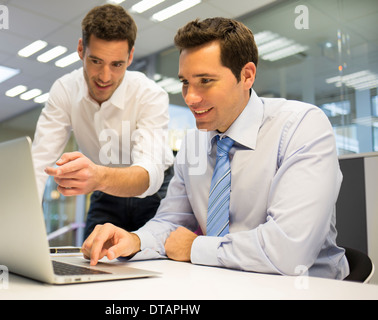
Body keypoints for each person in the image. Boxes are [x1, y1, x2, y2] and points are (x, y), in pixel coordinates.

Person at [82, 17, 350, 279]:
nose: (190, 97)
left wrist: (195, 247)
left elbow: (289, 251)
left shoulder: (301, 127)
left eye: (205, 81)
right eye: (185, 82)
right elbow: (172, 221)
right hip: (220, 284)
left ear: (246, 76)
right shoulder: (195, 143)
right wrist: (134, 240)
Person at [0, 4, 174, 252]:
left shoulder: (150, 94)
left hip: (156, 192)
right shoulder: (64, 90)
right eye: (96, 61)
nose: (104, 76)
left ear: (130, 57)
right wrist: (8, 230)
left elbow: (151, 174)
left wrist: (99, 176)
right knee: (94, 260)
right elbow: (39, 163)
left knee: (154, 262)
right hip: (103, 191)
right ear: (81, 49)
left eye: (117, 64)